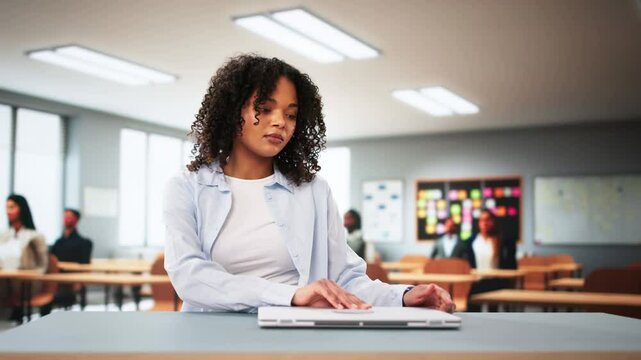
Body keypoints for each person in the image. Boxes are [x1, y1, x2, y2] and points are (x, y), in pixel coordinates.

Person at [164, 54, 454, 313]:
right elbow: (190, 277)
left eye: (291, 114)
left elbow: (343, 279)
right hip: (209, 336)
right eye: (265, 108)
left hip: (295, 334)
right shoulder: (187, 187)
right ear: (232, 111)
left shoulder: (312, 190)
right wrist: (291, 295)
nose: (280, 122)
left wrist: (403, 296)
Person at [0, 194, 48, 320]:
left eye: (12, 207)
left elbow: (43, 265)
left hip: (26, 283)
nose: (8, 211)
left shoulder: (34, 236)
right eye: (6, 207)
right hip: (5, 280)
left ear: (22, 209)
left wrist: (28, 275)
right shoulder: (3, 235)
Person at [465, 209, 517, 310]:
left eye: (488, 220)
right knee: (472, 306)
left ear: (493, 221)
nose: (484, 223)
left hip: (496, 281)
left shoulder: (502, 241)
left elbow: (511, 265)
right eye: (481, 220)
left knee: (493, 310)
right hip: (477, 281)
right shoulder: (472, 241)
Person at [49, 208, 93, 310]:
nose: (66, 219)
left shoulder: (83, 243)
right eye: (65, 217)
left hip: (73, 279)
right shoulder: (58, 242)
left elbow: (84, 264)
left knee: (64, 291)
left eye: (69, 217)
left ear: (76, 220)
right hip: (57, 278)